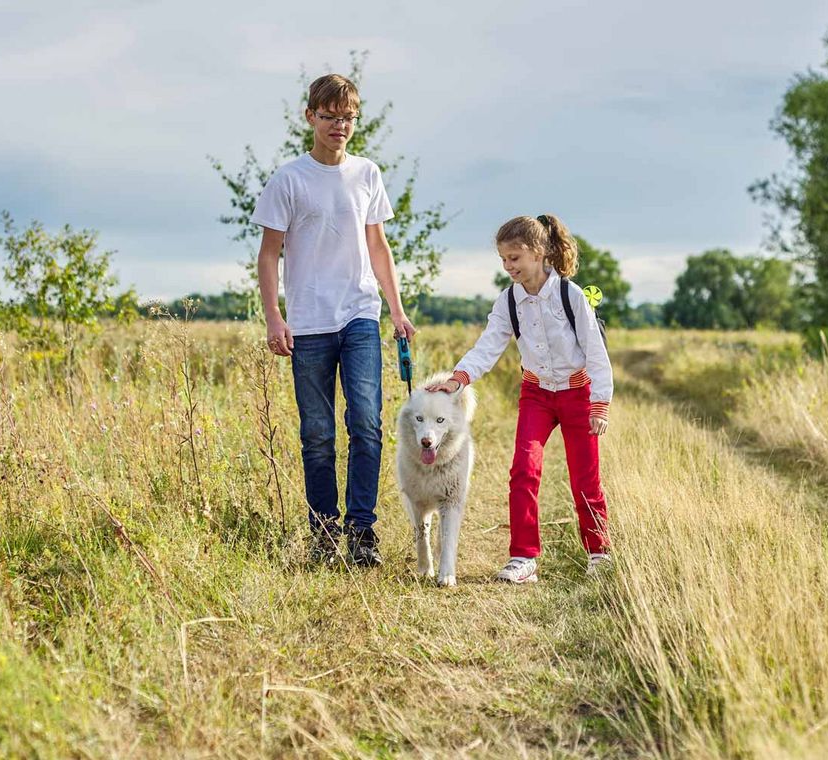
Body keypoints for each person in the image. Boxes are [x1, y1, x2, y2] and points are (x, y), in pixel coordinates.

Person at [252, 74, 415, 567]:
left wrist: (398, 309)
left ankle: (362, 532)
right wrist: (274, 317)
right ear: (310, 117)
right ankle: (324, 532)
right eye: (329, 117)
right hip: (308, 323)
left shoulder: (368, 173)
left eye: (347, 117)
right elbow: (268, 255)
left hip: (360, 315)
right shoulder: (289, 180)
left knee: (366, 423)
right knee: (317, 432)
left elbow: (378, 246)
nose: (339, 126)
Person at [428, 214, 612, 583]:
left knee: (584, 478)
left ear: (539, 252)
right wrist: (458, 379)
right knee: (523, 471)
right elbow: (488, 346)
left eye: (515, 258)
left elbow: (595, 351)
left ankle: (599, 552)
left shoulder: (569, 295)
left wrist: (600, 403)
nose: (509, 266)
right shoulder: (508, 301)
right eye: (503, 259)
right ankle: (523, 558)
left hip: (578, 393)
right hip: (536, 394)